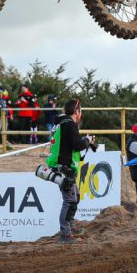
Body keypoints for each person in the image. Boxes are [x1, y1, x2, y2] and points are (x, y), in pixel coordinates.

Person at [46, 98, 95, 243]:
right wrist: (87, 140)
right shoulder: (69, 124)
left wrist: (84, 142)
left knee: (75, 197)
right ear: (76, 111)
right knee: (70, 200)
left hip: (62, 165)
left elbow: (70, 145)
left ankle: (70, 228)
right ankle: (65, 234)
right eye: (80, 111)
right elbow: (77, 145)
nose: (81, 114)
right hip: (64, 167)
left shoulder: (62, 123)